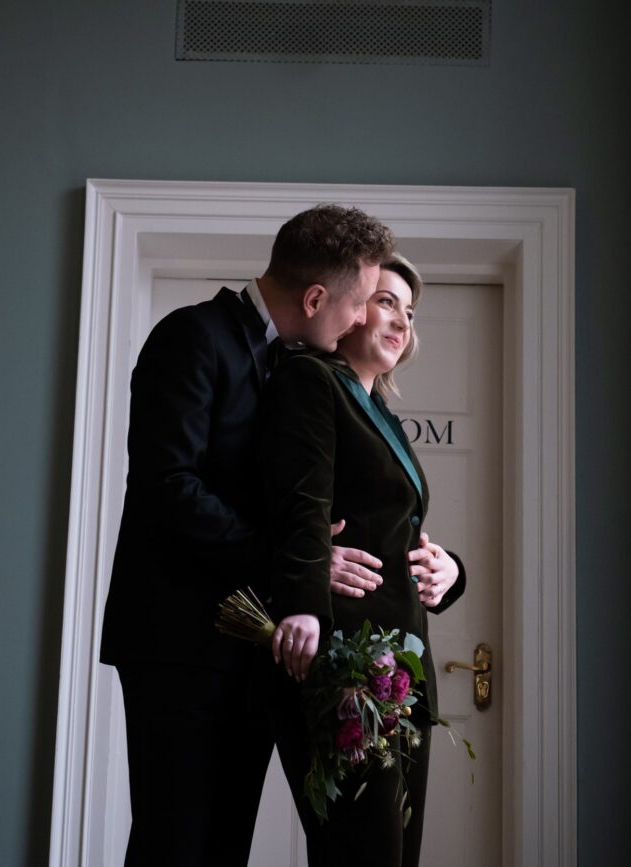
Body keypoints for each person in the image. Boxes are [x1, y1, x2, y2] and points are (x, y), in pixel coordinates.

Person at [99, 204, 394, 866]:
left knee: (224, 848)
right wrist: (295, 562)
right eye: (355, 305)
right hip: (177, 648)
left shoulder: (296, 370)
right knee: (173, 846)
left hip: (247, 653)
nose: (359, 321)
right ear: (315, 297)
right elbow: (167, 486)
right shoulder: (193, 337)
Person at [260, 254, 466, 866]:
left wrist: (451, 570)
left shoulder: (385, 417)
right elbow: (302, 508)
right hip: (348, 662)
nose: (401, 319)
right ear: (349, 310)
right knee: (360, 853)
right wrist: (303, 595)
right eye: (385, 301)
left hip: (403, 667)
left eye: (410, 309)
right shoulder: (311, 382)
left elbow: (393, 530)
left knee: (397, 854)